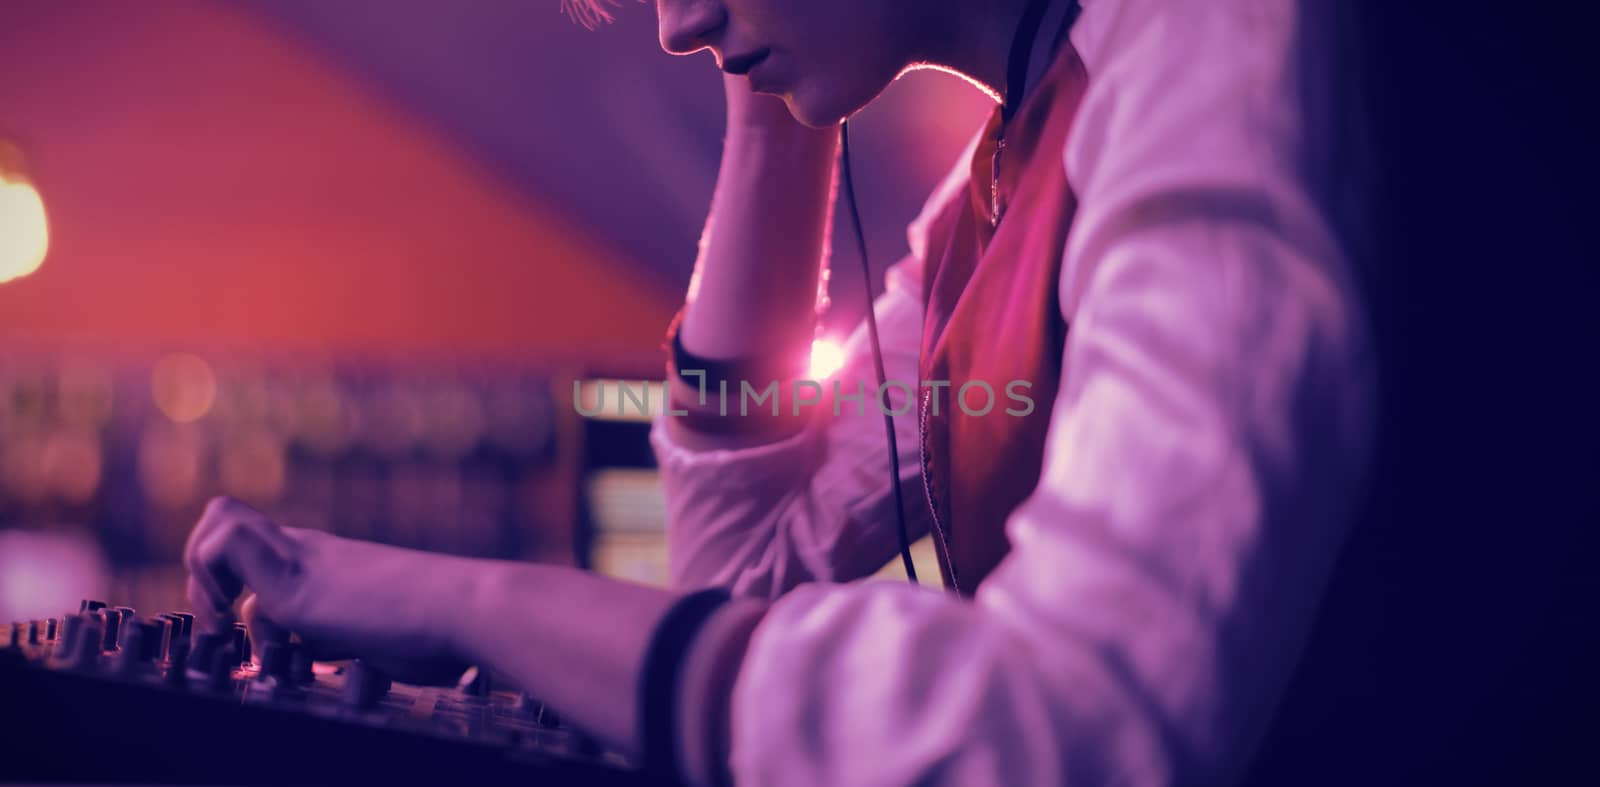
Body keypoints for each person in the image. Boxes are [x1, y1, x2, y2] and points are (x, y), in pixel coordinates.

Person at [183, 0, 1375, 784]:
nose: (677, 23)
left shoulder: (1208, 51)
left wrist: (460, 604)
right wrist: (769, 116)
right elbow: (741, 566)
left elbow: (1074, 728)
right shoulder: (997, 172)